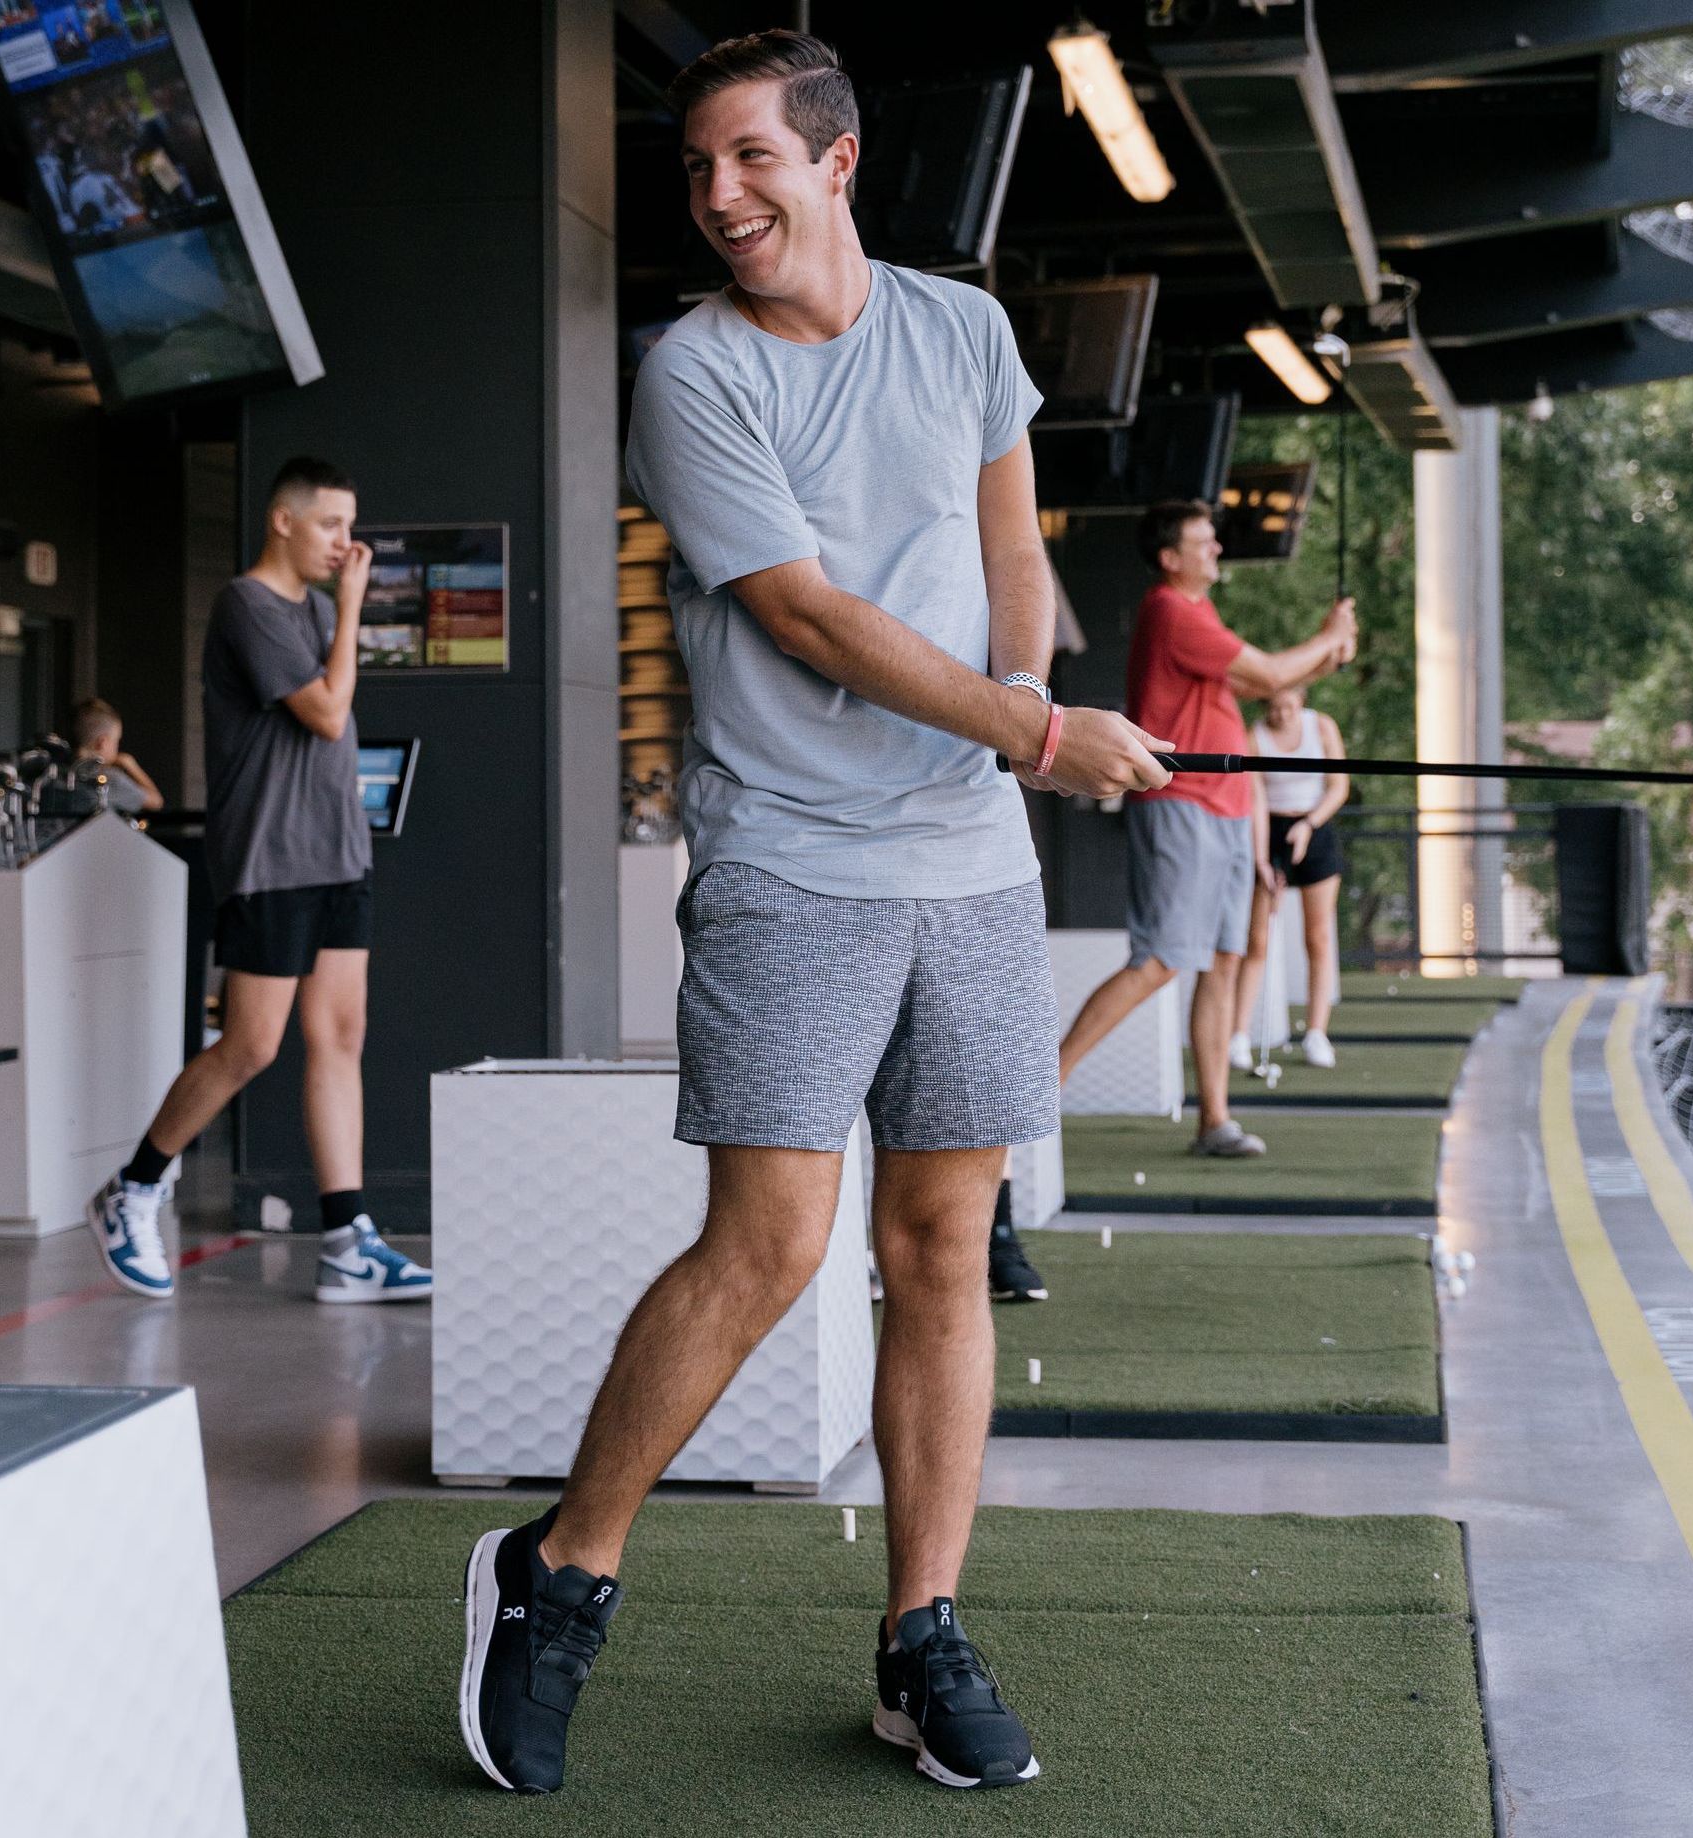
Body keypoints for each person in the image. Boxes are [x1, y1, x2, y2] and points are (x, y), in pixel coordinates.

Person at [456, 31, 1168, 1800]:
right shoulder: (692, 375)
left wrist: (1021, 717)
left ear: (836, 162)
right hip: (789, 856)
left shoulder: (965, 330)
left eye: (749, 157)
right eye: (697, 169)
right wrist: (1038, 728)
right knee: (768, 1246)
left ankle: (923, 1632)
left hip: (971, 868)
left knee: (945, 1245)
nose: (719, 195)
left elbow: (1018, 548)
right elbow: (805, 615)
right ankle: (556, 1574)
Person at [85, 456, 430, 1307]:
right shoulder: (248, 604)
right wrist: (350, 612)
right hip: (272, 857)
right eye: (330, 527)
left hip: (338, 850)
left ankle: (348, 1240)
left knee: (339, 1037)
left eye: (351, 528)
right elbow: (327, 712)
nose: (346, 546)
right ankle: (132, 1188)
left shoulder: (314, 608)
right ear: (283, 520)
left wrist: (336, 613)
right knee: (250, 1045)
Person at [1056, 500, 1355, 1161]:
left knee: (1221, 963)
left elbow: (1268, 683)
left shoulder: (1198, 612)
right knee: (1161, 960)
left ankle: (1214, 1120)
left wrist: (1327, 654)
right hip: (1181, 803)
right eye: (1204, 541)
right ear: (1171, 558)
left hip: (1225, 809)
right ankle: (1046, 1085)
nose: (1217, 548)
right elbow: (1272, 674)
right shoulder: (1169, 609)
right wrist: (1328, 635)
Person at [1233, 684, 1351, 1070]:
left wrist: (1308, 825)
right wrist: (1263, 860)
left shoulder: (1322, 727)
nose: (1281, 714)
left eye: (1288, 706)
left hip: (1316, 827)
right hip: (1272, 834)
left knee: (1317, 937)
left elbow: (1339, 786)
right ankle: (1239, 1037)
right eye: (1274, 706)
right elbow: (1257, 800)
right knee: (1257, 940)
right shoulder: (1255, 736)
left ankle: (1316, 1034)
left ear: (1301, 701)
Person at [70, 696, 164, 813]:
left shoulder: (57, 771)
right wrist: (130, 764)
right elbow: (156, 802)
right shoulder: (110, 779)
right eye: (116, 741)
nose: (117, 747)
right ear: (102, 743)